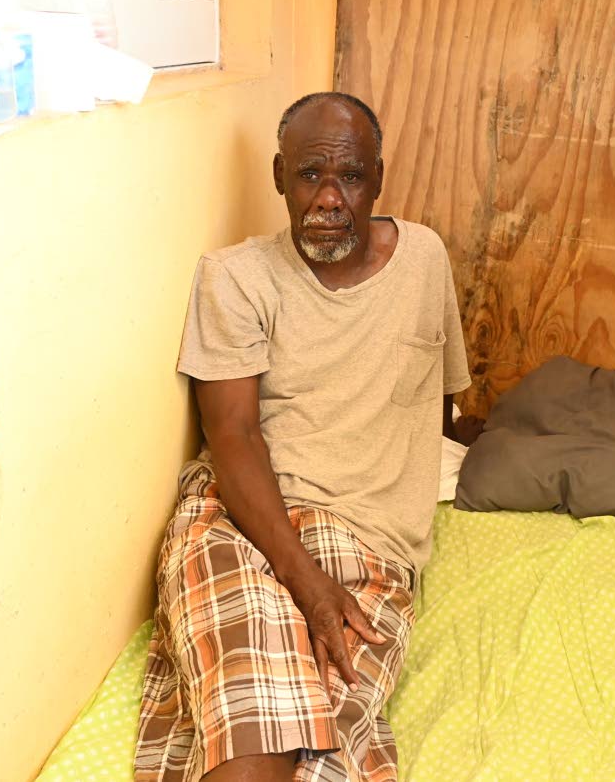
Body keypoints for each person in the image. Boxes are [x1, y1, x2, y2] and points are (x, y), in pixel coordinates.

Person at [134, 92, 481, 782]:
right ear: (278, 177)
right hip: (242, 517)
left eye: (349, 176)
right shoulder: (234, 278)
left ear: (378, 179)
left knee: (320, 740)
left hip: (371, 545)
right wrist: (307, 583)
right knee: (250, 720)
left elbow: (438, 399)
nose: (328, 198)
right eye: (308, 175)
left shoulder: (424, 259)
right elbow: (233, 436)